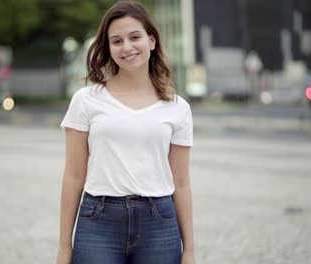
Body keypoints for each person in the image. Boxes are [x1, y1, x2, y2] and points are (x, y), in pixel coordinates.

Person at [56, 1, 195, 263]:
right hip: (98, 222)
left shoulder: (178, 108)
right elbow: (73, 176)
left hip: (160, 224)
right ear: (108, 47)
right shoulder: (86, 100)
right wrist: (64, 248)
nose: (127, 47)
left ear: (151, 41)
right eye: (116, 41)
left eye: (135, 37)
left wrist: (189, 250)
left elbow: (182, 184)